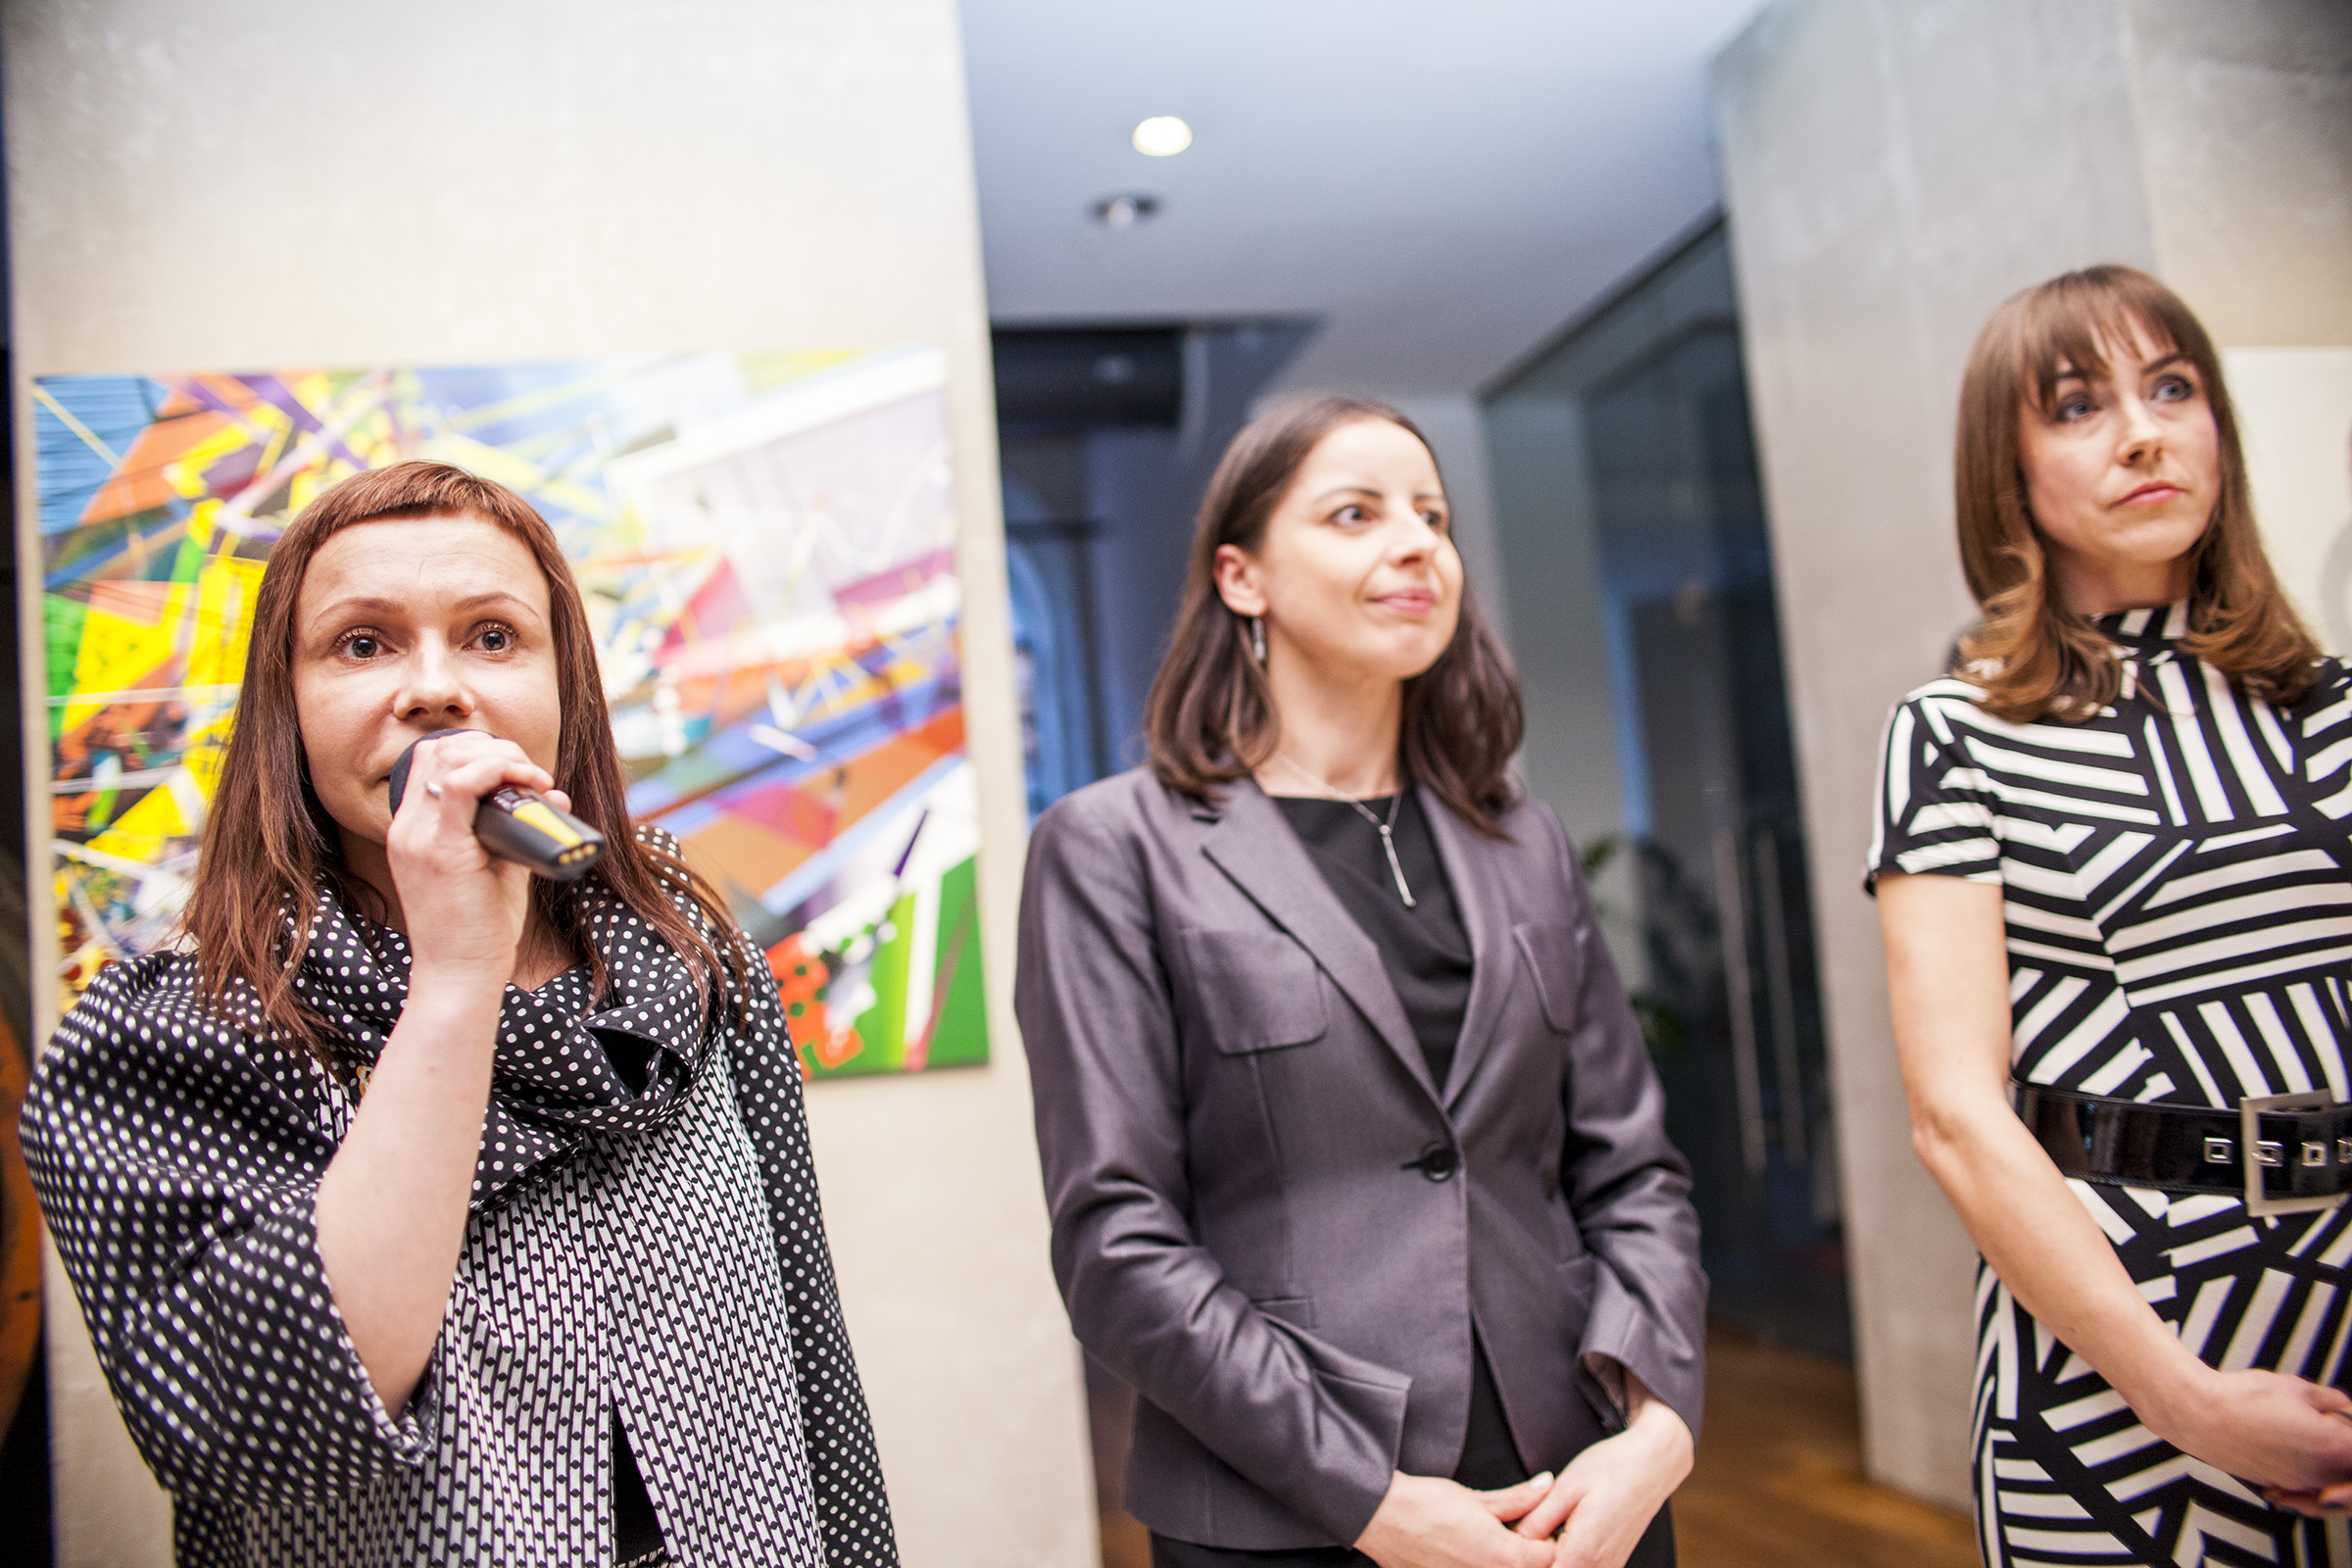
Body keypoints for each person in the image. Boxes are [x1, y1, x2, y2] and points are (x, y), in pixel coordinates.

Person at [22, 462, 898, 1567]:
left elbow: (806, 1339)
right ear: (287, 706)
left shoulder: (678, 939)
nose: (435, 688)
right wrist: (453, 974)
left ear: (565, 686)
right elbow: (266, 1428)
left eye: (492, 636)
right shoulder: (173, 1032)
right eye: (363, 644)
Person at [1016, 398, 1703, 1568]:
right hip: (1291, 1513)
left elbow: (1632, 1169)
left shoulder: (1523, 840)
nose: (1416, 544)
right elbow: (1118, 1240)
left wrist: (1659, 1427)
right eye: (1356, 514)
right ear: (1242, 577)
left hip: (1582, 1490)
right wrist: (1373, 1500)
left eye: (1433, 516)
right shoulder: (1112, 848)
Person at [1873, 265, 2352, 1565]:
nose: (2144, 432)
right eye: (2081, 406)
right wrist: (2186, 1399)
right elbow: (1956, 1118)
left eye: (2173, 388)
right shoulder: (1959, 734)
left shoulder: (2335, 712)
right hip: (2119, 1341)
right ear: (2009, 471)